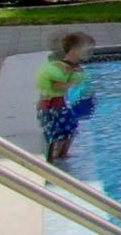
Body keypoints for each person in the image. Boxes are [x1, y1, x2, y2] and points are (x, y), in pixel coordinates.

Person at [35, 31, 97, 163]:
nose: (90, 53)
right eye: (87, 50)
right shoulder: (61, 67)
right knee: (55, 132)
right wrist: (73, 83)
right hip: (52, 105)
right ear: (74, 50)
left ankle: (63, 153)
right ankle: (51, 158)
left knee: (70, 128)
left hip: (62, 104)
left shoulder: (73, 67)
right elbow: (55, 86)